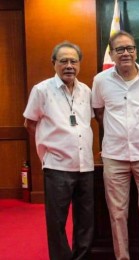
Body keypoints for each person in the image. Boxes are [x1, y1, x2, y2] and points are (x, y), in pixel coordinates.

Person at [91, 31, 139, 260]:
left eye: (129, 48)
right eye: (119, 49)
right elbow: (99, 112)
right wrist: (119, 132)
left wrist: (138, 131)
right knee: (117, 213)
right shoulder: (100, 80)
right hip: (114, 156)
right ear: (111, 54)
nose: (125, 53)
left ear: (136, 51)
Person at [23, 41, 94, 260]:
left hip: (86, 165)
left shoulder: (86, 91)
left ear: (79, 64)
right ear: (54, 63)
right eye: (63, 61)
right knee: (57, 222)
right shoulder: (42, 90)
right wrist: (47, 149)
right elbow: (30, 123)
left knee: (86, 220)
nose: (69, 65)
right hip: (57, 165)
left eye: (74, 61)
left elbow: (87, 123)